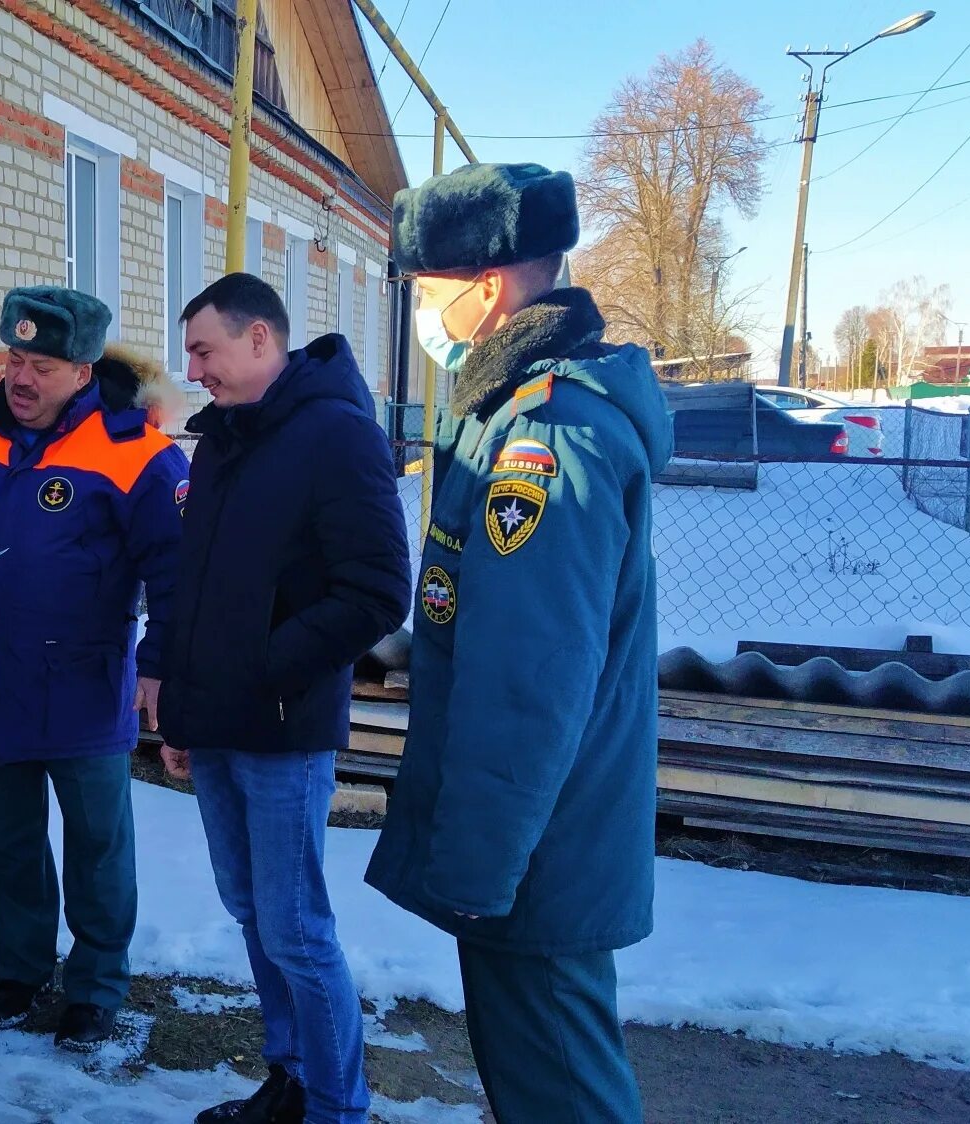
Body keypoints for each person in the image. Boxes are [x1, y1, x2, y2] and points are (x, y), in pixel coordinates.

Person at [363, 163, 673, 1124]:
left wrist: (478, 868)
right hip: (534, 841)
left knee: (562, 1090)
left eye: (426, 290)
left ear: (485, 287)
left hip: (539, 850)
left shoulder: (548, 437)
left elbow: (529, 685)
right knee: (536, 1079)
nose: (423, 311)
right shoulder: (511, 412)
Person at [0, 288, 188, 1051]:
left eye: (41, 365)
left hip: (85, 684)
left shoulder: (138, 449)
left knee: (97, 845)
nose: (21, 378)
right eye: (14, 359)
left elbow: (177, 569)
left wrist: (160, 663)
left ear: (83, 369)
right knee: (8, 840)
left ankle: (95, 988)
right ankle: (19, 974)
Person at [158, 272, 409, 1124]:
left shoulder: (337, 435)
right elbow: (193, 587)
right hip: (220, 720)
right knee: (252, 913)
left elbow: (377, 590)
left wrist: (267, 666)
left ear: (260, 339)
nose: (194, 370)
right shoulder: (223, 437)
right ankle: (291, 1079)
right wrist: (185, 712)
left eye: (205, 351)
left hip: (281, 724)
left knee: (296, 927)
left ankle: (339, 1109)